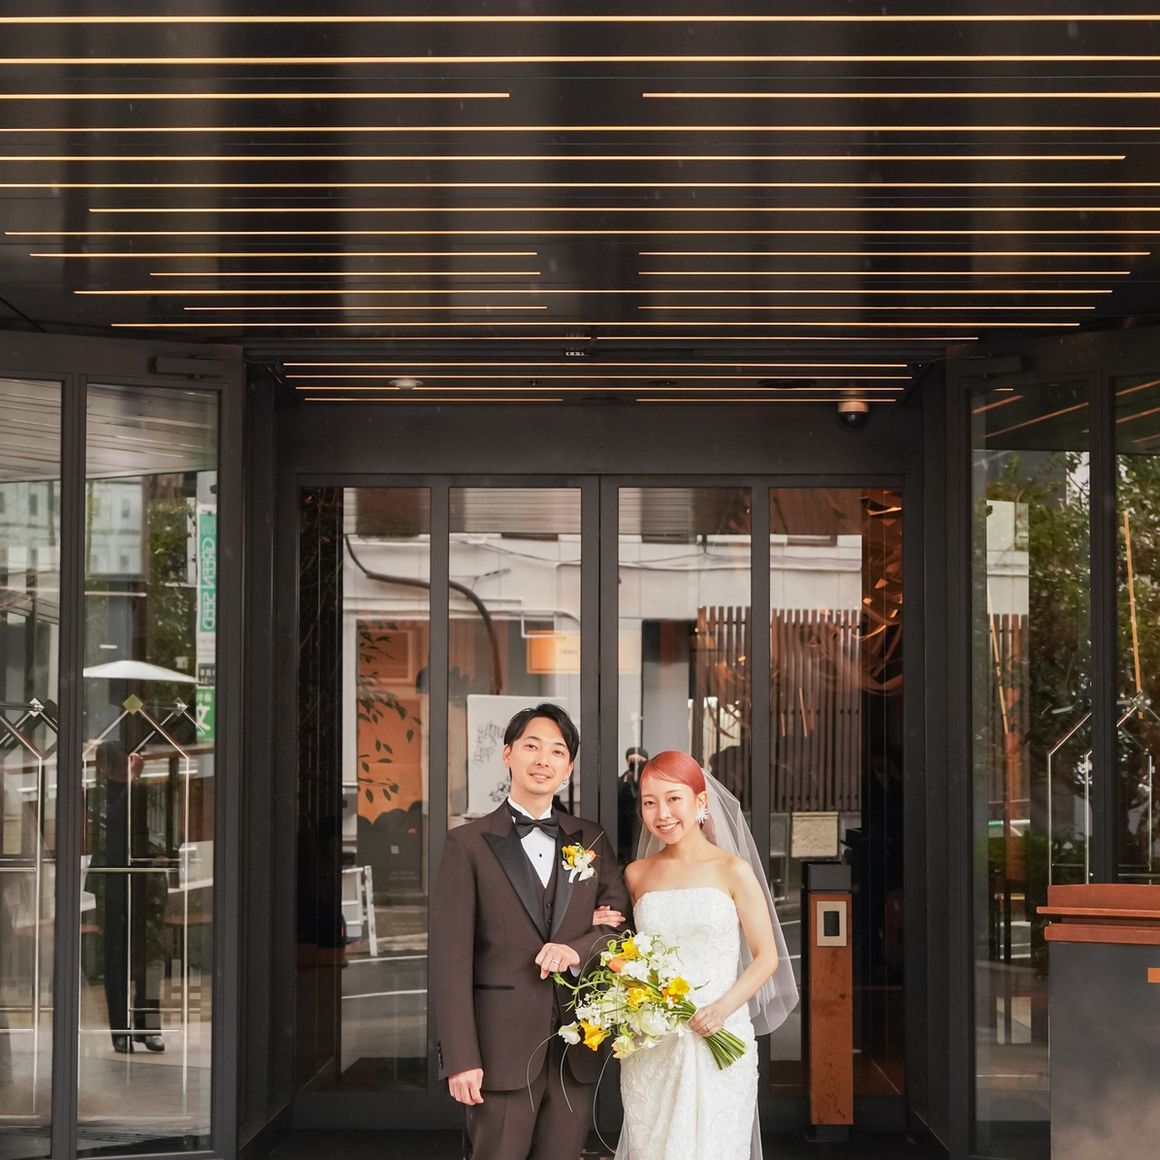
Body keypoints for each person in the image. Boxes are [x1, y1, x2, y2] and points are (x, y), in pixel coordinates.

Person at [430, 703, 630, 1160]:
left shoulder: (591, 839)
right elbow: (450, 960)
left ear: (569, 767)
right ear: (507, 754)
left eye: (557, 751)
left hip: (576, 1046)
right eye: (532, 747)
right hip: (498, 1050)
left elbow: (619, 929)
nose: (544, 760)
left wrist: (578, 949)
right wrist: (461, 1058)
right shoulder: (468, 844)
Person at [616, 751, 798, 1160]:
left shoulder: (733, 870)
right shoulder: (636, 874)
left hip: (720, 1030)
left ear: (700, 802)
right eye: (650, 802)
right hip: (655, 1041)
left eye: (674, 799)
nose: (662, 813)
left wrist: (720, 1010)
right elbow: (624, 951)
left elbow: (766, 957)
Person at [617, 746, 649, 864]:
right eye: (632, 760)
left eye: (639, 761)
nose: (635, 764)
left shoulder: (646, 781)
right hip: (622, 830)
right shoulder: (621, 781)